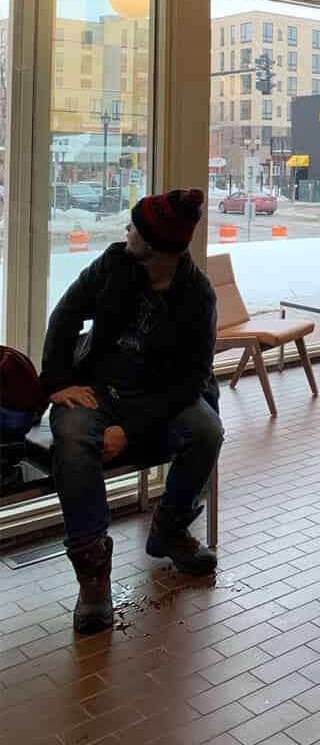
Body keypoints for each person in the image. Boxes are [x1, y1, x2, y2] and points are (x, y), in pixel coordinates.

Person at [42, 190, 222, 635]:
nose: (127, 232)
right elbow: (65, 316)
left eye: (135, 228)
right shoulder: (114, 263)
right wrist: (58, 383)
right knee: (72, 442)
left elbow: (191, 381)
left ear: (159, 247)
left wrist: (132, 431)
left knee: (207, 431)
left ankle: (170, 530)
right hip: (97, 386)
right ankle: (94, 581)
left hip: (160, 396)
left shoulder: (196, 296)